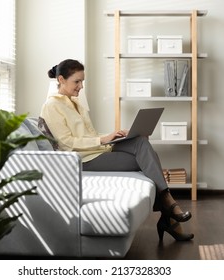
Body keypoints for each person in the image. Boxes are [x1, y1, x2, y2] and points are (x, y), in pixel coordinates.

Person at [40, 59, 194, 241]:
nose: (81, 86)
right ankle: (169, 207)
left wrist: (116, 135)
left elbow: (89, 135)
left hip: (96, 150)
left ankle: (168, 210)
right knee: (146, 161)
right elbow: (66, 142)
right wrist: (103, 139)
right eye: (77, 81)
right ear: (61, 79)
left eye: (82, 81)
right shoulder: (51, 106)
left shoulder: (76, 103)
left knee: (140, 142)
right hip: (83, 160)